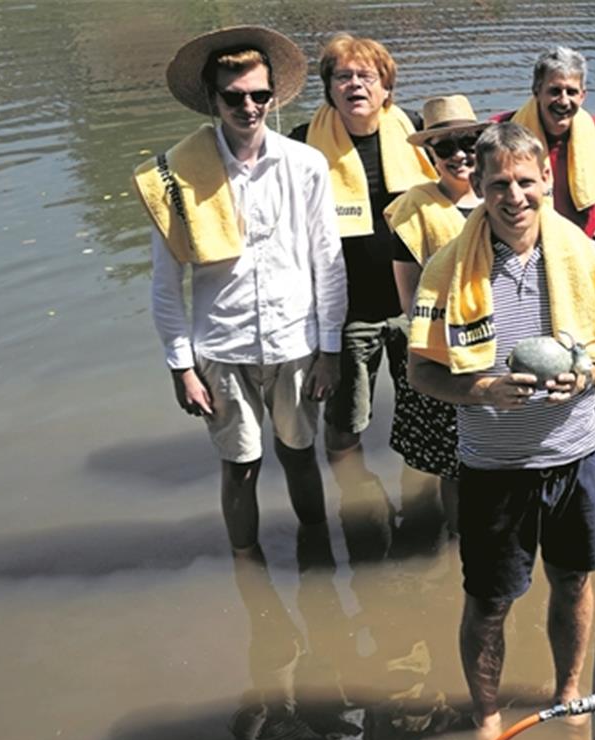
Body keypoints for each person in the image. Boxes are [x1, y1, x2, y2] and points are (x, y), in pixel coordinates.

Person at [405, 122, 595, 740]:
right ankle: (486, 717)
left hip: (575, 454)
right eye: (498, 183)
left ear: (547, 181)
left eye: (526, 182)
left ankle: (567, 694)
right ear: (476, 184)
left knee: (575, 582)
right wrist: (476, 390)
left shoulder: (584, 254)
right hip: (494, 467)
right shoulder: (447, 269)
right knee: (488, 602)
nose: (513, 196)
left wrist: (585, 379)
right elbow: (420, 370)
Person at [135, 26, 345, 558]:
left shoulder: (306, 165)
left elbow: (328, 262)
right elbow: (165, 283)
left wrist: (330, 350)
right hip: (222, 347)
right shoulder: (177, 177)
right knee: (241, 467)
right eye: (233, 96)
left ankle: (318, 556)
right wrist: (180, 367)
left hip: (296, 340)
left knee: (301, 454)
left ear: (274, 97)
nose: (247, 107)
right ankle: (248, 570)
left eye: (258, 95)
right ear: (213, 99)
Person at [290, 34, 437, 497]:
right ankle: (359, 507)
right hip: (348, 313)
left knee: (426, 418)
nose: (355, 84)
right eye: (343, 76)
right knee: (344, 422)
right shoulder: (302, 145)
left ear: (386, 88)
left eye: (366, 76)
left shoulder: (416, 133)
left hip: (414, 308)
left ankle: (422, 508)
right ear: (329, 88)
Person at [494, 46, 595, 430]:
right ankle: (533, 428)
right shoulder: (505, 130)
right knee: (527, 355)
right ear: (537, 91)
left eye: (572, 92)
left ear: (583, 95)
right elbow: (462, 167)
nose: (563, 101)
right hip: (523, 262)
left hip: (585, 261)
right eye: (554, 91)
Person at [383, 94, 490, 535]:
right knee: (455, 459)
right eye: (445, 147)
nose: (459, 155)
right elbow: (410, 298)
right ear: (430, 154)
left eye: (467, 141)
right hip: (448, 347)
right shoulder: (416, 208)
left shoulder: (503, 193)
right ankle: (461, 539)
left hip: (502, 343)